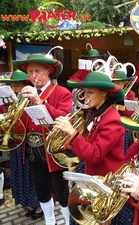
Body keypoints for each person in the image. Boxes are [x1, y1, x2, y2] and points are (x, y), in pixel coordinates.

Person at [12, 53, 73, 225]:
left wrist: (39, 101)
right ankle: (50, 221)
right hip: (32, 149)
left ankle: (67, 222)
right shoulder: (25, 95)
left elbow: (64, 117)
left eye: (37, 71)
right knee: (41, 190)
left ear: (48, 71)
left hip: (54, 151)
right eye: (30, 72)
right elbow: (21, 124)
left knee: (61, 192)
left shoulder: (62, 92)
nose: (33, 76)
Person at [55, 70, 125, 176]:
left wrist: (71, 132)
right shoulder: (97, 112)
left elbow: (95, 155)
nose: (85, 96)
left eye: (90, 92)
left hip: (104, 178)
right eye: (84, 91)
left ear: (104, 93)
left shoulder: (112, 119)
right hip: (92, 172)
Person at [0, 70, 42, 219]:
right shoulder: (8, 100)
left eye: (17, 85)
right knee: (19, 174)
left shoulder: (31, 98)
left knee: (30, 175)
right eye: (12, 85)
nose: (15, 88)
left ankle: (38, 206)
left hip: (27, 142)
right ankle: (29, 204)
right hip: (15, 142)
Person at [111, 67, 136, 154]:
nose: (115, 85)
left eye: (118, 83)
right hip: (111, 127)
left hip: (124, 129)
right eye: (113, 82)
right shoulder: (110, 93)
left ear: (124, 83)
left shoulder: (130, 94)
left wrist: (121, 101)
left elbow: (129, 114)